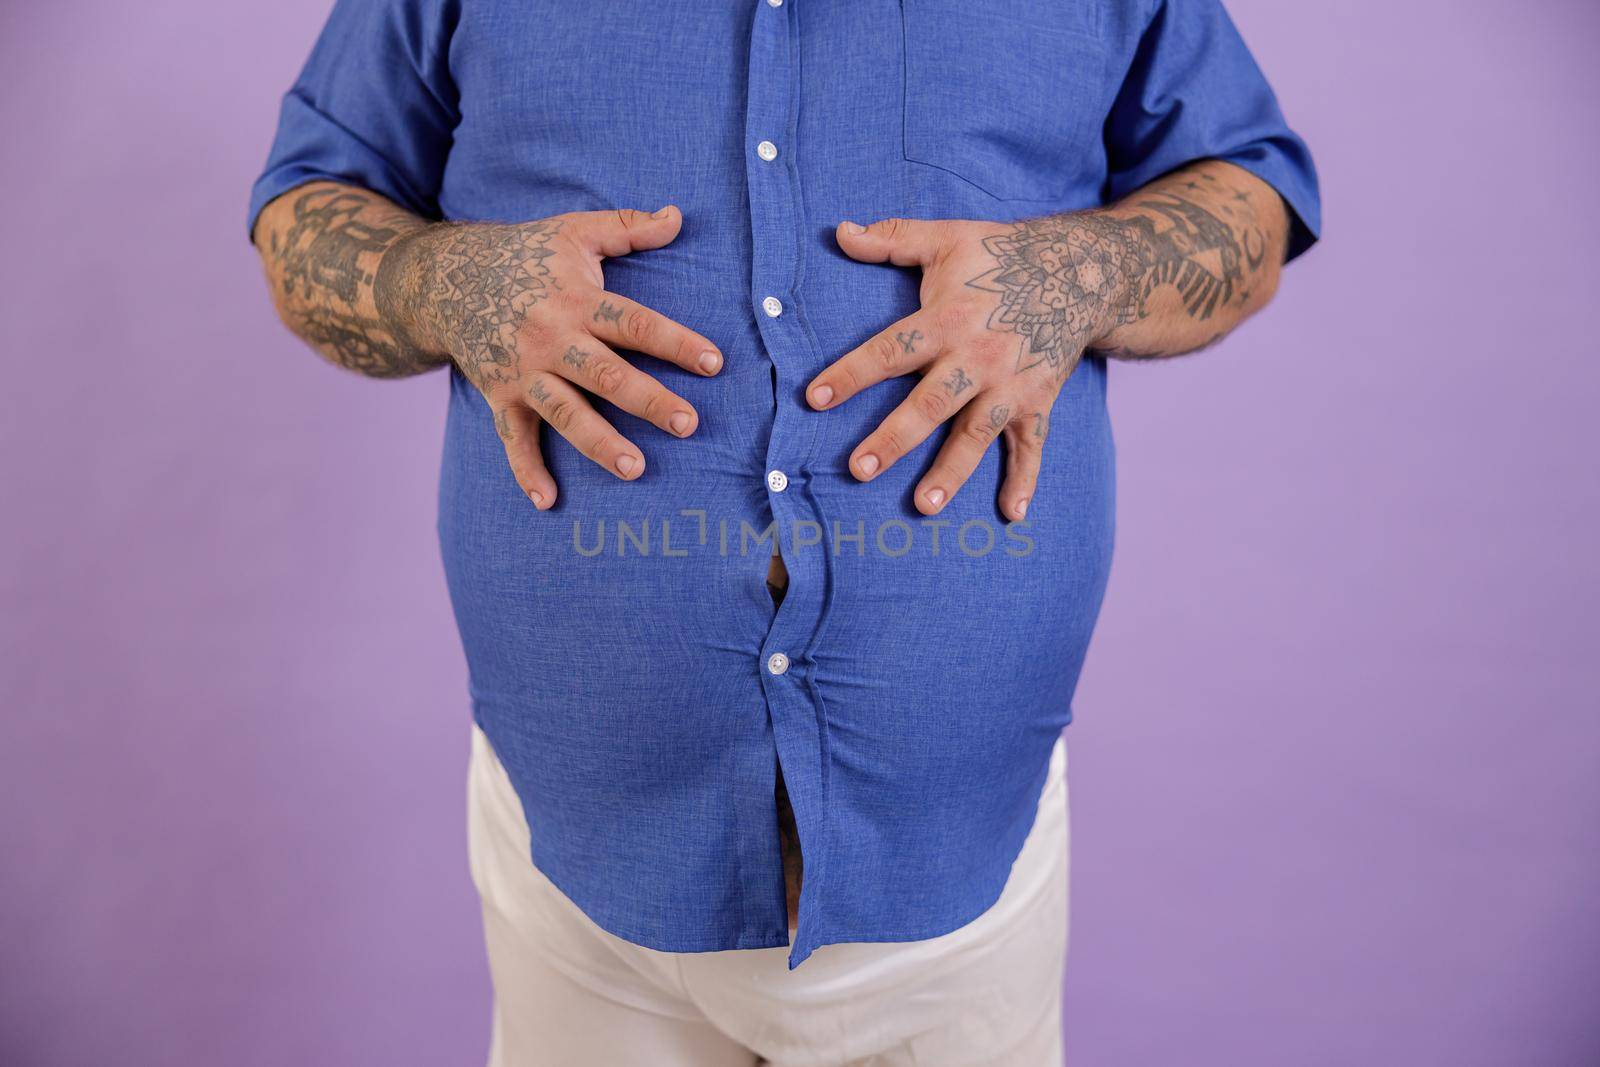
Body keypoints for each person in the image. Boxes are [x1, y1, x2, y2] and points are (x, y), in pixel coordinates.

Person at [248, 2, 1319, 1063]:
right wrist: (434, 279)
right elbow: (308, 203)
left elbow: (1251, 193)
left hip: (962, 840)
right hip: (574, 854)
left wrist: (1085, 275)